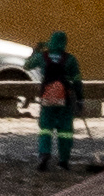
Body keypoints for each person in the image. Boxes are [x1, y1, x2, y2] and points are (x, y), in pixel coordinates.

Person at [32, 27, 83, 172]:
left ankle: (44, 153)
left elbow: (27, 65)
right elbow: (77, 81)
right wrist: (80, 99)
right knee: (65, 130)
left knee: (45, 128)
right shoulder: (70, 59)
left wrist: (35, 51)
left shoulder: (43, 57)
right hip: (65, 99)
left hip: (47, 97)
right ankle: (63, 160)